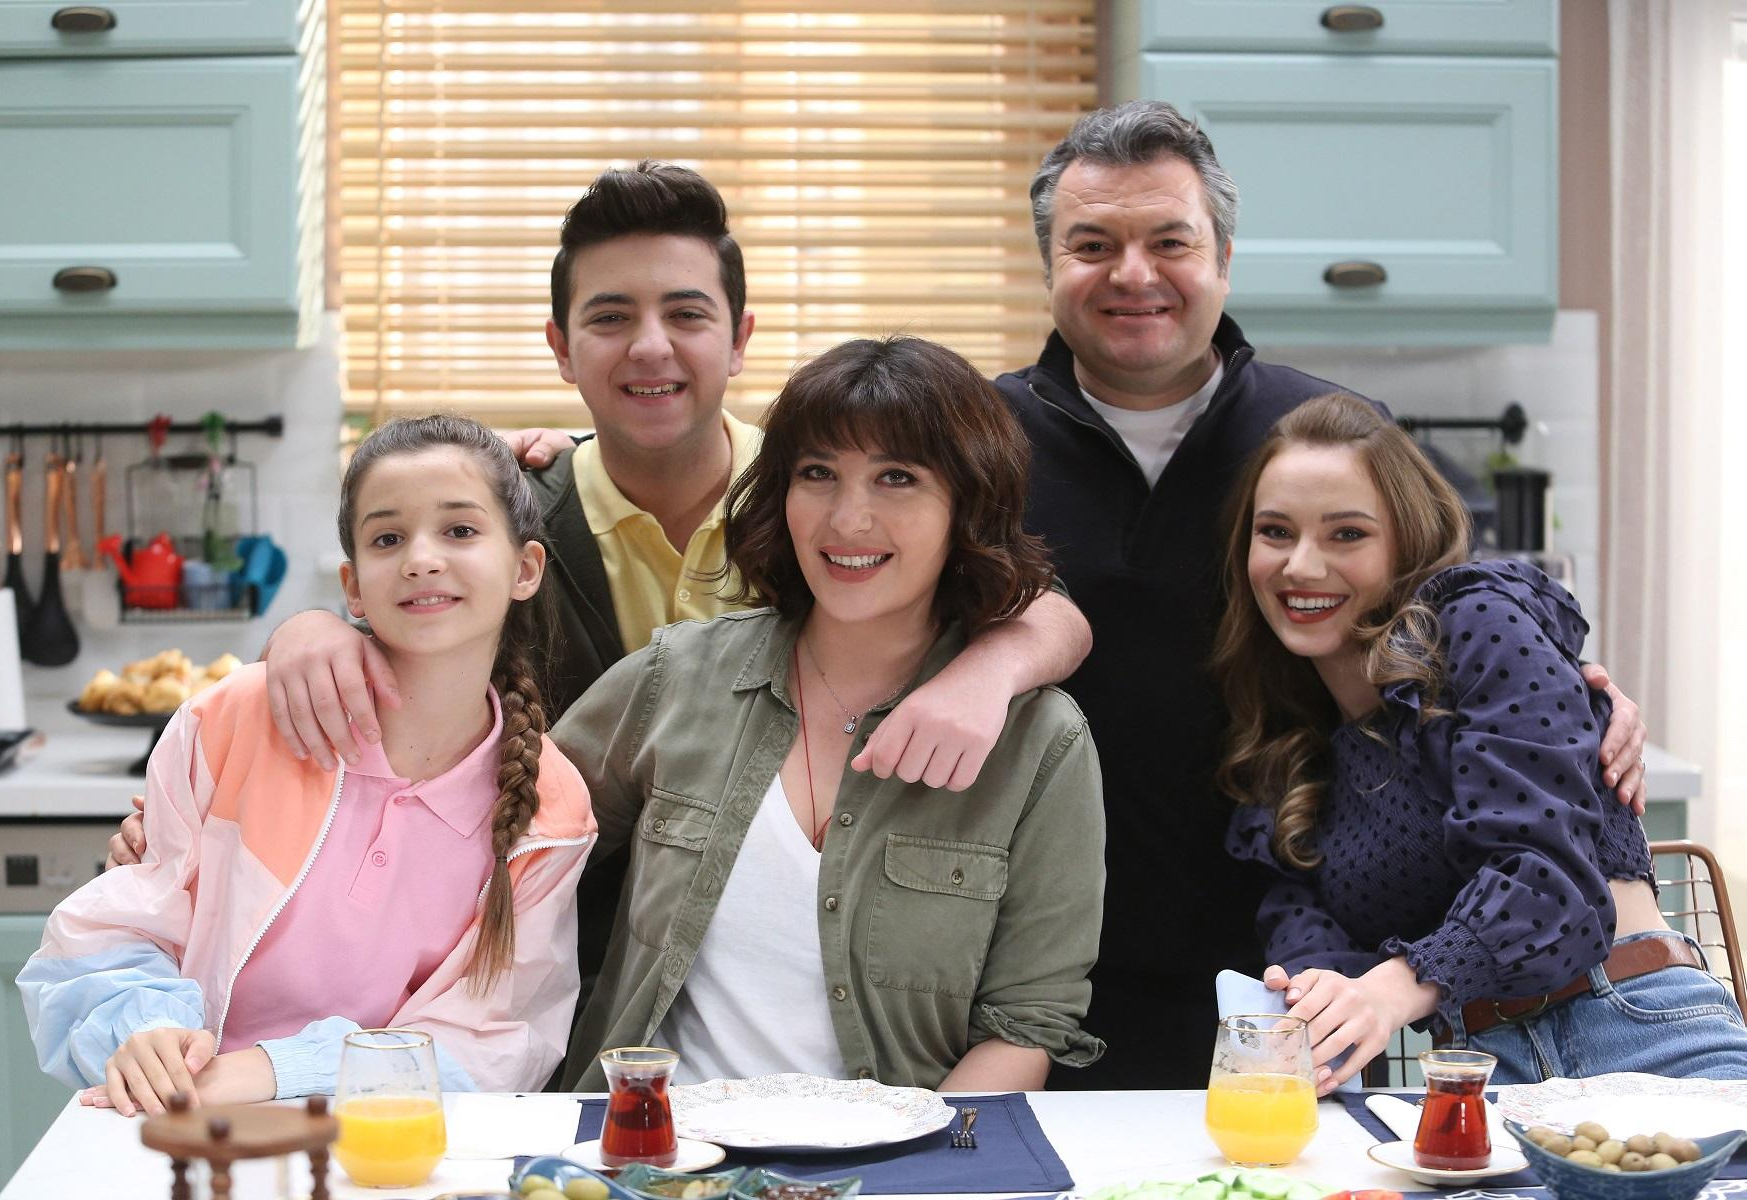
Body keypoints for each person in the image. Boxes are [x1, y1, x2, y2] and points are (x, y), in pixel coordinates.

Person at [136, 163, 1092, 984]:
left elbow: (1024, 599)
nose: (650, 346)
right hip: (522, 972)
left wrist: (989, 672)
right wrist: (307, 631)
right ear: (560, 347)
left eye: (686, 313)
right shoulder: (504, 521)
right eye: (609, 317)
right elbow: (399, 648)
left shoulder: (818, 505)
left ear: (740, 337)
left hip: (770, 978)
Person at [988, 100, 1650, 1087]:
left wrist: (1579, 689)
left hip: (1287, 976)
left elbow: (1460, 625)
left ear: (1223, 258)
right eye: (1093, 245)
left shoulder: (1321, 430)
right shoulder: (978, 448)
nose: (1133, 274)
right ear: (1048, 264)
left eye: (1170, 241)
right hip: (1025, 979)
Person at [553, 335, 1106, 1090]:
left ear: (968, 506)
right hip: (656, 1142)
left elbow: (1027, 1024)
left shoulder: (1040, 742)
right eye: (817, 474)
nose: (848, 519)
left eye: (897, 478)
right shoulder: (678, 676)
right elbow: (499, 846)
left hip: (901, 1148)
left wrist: (916, 1155)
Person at [21, 416, 596, 1115]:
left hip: (384, 1141)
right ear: (352, 587)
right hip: (187, 1123)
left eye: (459, 530)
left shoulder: (552, 808)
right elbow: (120, 927)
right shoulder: (232, 719)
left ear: (525, 569)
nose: (421, 559)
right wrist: (146, 1032)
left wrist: (274, 1069)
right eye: (387, 538)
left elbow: (497, 1040)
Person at [1216, 392, 1747, 1086]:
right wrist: (1318, 998)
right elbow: (1303, 920)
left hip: (1637, 1028)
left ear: (1407, 542)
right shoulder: (1288, 737)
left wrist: (1391, 989)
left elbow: (1550, 877)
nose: (1301, 566)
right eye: (1276, 532)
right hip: (1478, 1070)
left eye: (1346, 534)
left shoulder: (1477, 623)